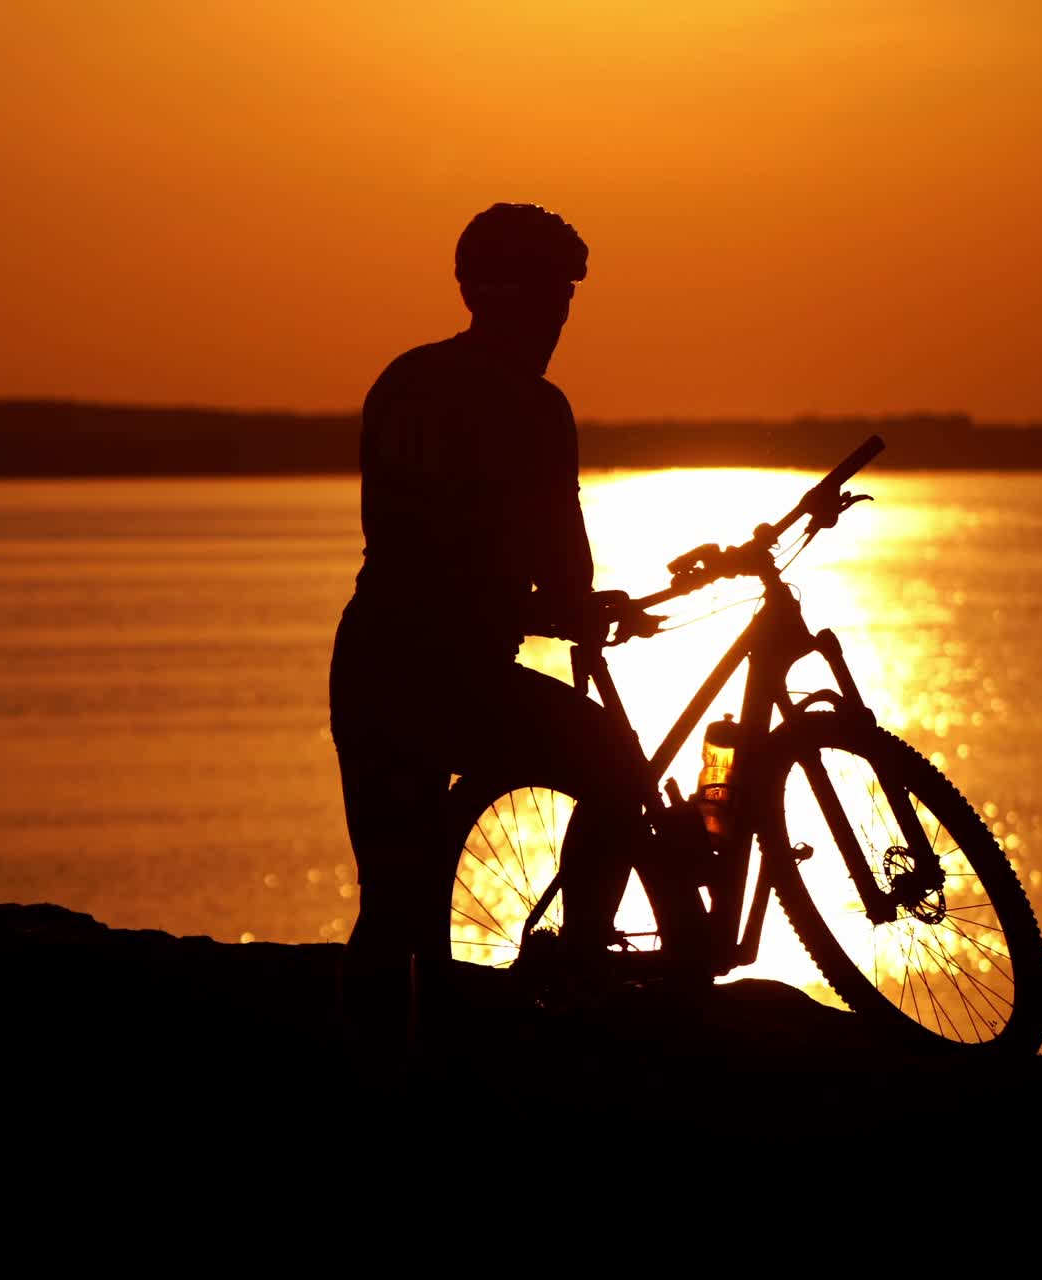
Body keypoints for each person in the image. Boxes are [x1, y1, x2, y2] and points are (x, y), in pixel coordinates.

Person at [330, 203, 658, 1067]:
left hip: (370, 661)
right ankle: (584, 965)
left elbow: (404, 540)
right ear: (512, 296)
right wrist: (578, 609)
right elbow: (562, 565)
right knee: (619, 768)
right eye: (555, 294)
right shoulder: (535, 406)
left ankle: (372, 1073)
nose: (561, 315)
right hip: (455, 674)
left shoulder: (403, 378)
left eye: (567, 296)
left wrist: (538, 603)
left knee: (392, 896)